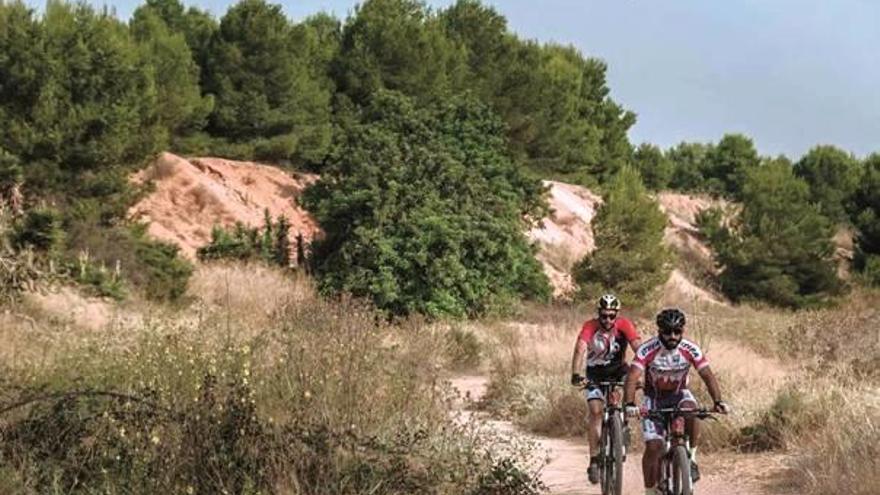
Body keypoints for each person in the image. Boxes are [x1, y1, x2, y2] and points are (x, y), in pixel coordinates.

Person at [622, 308, 730, 495]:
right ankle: (650, 490)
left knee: (693, 411)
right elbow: (632, 377)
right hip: (654, 399)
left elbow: (707, 375)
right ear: (659, 331)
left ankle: (691, 458)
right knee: (654, 447)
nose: (672, 336)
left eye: (677, 331)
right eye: (667, 331)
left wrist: (718, 401)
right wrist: (630, 404)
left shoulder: (690, 349)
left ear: (682, 331)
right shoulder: (647, 349)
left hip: (680, 395)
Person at [570, 294, 642, 484]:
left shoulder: (624, 325)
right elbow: (580, 348)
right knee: (596, 411)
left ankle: (624, 426)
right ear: (598, 314)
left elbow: (639, 349)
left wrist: (646, 372)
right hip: (595, 373)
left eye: (611, 316)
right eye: (604, 316)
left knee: (630, 390)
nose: (607, 320)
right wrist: (576, 374)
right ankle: (594, 459)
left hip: (619, 370)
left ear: (617, 315)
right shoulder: (590, 326)